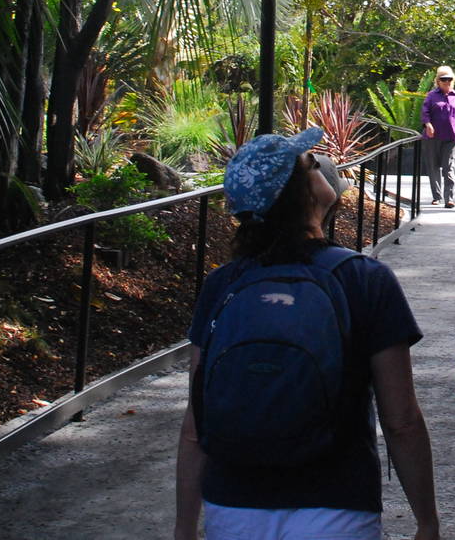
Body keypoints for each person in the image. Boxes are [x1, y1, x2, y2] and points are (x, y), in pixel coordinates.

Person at [174, 128, 440, 540]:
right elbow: (401, 419)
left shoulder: (223, 284)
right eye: (312, 164)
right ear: (305, 193)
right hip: (337, 505)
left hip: (233, 505)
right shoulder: (364, 279)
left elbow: (196, 421)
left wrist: (184, 527)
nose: (320, 166)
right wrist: (426, 520)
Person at [420, 65, 455, 208]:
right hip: (433, 137)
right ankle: (437, 196)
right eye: (443, 79)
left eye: (449, 79)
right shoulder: (431, 96)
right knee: (433, 166)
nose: (446, 82)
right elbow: (425, 112)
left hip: (452, 137)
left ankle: (449, 198)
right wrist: (428, 124)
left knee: (449, 167)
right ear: (438, 81)